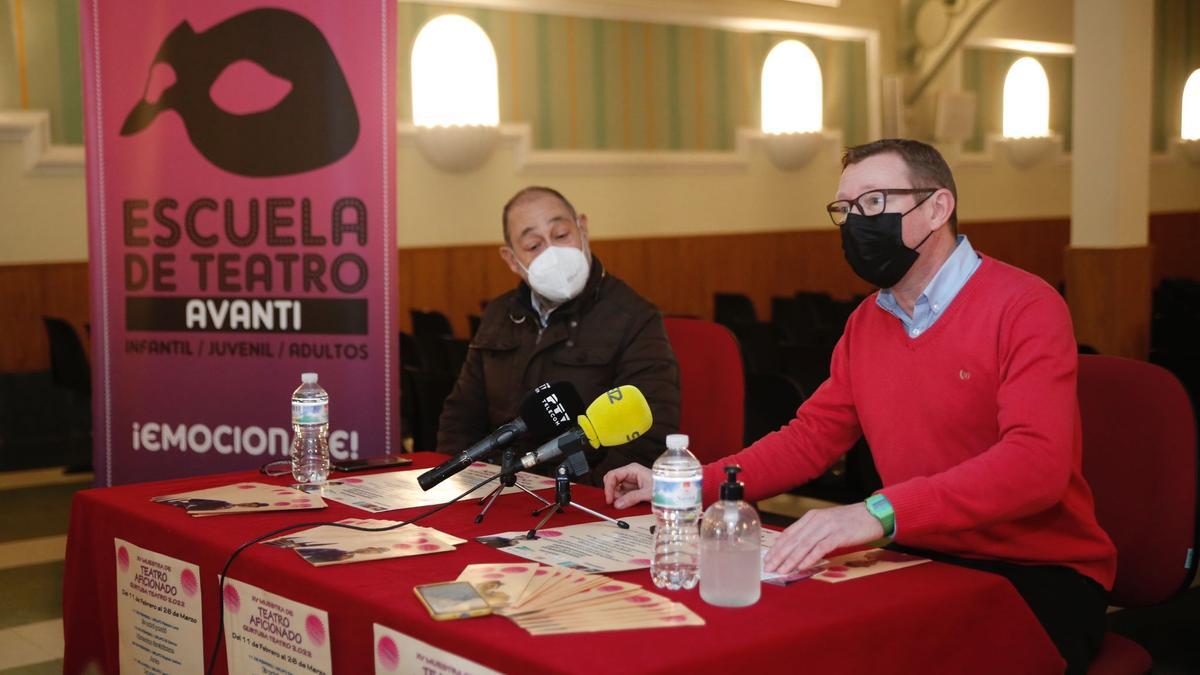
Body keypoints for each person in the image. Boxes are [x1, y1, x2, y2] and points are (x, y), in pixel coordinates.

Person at [604, 139, 1116, 674]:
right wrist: (686, 484)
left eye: (873, 203)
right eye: (844, 210)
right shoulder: (868, 321)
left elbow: (1037, 466)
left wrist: (878, 512)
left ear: (937, 208)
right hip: (920, 559)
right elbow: (810, 439)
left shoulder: (1025, 306)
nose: (854, 224)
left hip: (1035, 571)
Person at [437, 186, 680, 486]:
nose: (552, 252)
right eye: (533, 245)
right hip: (499, 488)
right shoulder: (499, 315)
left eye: (562, 235)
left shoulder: (635, 317)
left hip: (583, 493)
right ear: (512, 260)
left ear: (583, 229)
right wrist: (460, 483)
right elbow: (461, 415)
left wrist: (581, 496)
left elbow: (648, 430)